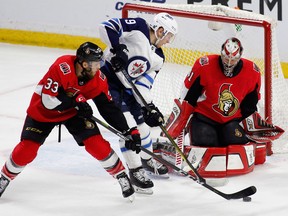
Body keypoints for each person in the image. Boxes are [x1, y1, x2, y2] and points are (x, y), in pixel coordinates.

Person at [0, 42, 142, 200]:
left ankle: (121, 175)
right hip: (43, 111)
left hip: (73, 112)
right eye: (95, 64)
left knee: (96, 143)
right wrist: (77, 101)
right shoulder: (62, 66)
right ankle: (4, 177)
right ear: (84, 63)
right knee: (27, 150)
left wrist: (128, 131)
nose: (98, 68)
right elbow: (48, 101)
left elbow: (109, 108)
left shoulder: (98, 79)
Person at [98, 12, 178, 193]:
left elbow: (143, 85)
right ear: (159, 30)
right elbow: (106, 26)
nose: (168, 41)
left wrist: (150, 107)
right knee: (128, 127)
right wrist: (117, 48)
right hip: (108, 81)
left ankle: (145, 158)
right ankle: (135, 171)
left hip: (128, 88)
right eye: (169, 36)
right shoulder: (139, 27)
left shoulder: (159, 57)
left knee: (143, 128)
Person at [164, 37, 266, 177]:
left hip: (232, 120)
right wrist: (179, 124)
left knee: (235, 139)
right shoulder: (204, 65)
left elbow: (250, 105)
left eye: (233, 60)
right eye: (225, 59)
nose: (229, 63)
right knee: (206, 141)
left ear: (240, 57)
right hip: (205, 117)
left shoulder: (252, 71)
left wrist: (252, 130)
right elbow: (188, 97)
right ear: (221, 53)